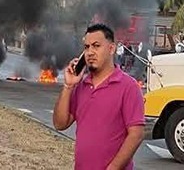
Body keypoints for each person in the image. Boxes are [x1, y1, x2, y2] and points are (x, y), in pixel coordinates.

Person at [53, 23, 144, 170]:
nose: (90, 52)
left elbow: (136, 135)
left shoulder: (129, 86)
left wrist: (113, 168)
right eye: (87, 47)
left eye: (96, 46)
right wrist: (68, 86)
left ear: (111, 49)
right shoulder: (81, 87)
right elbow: (60, 124)